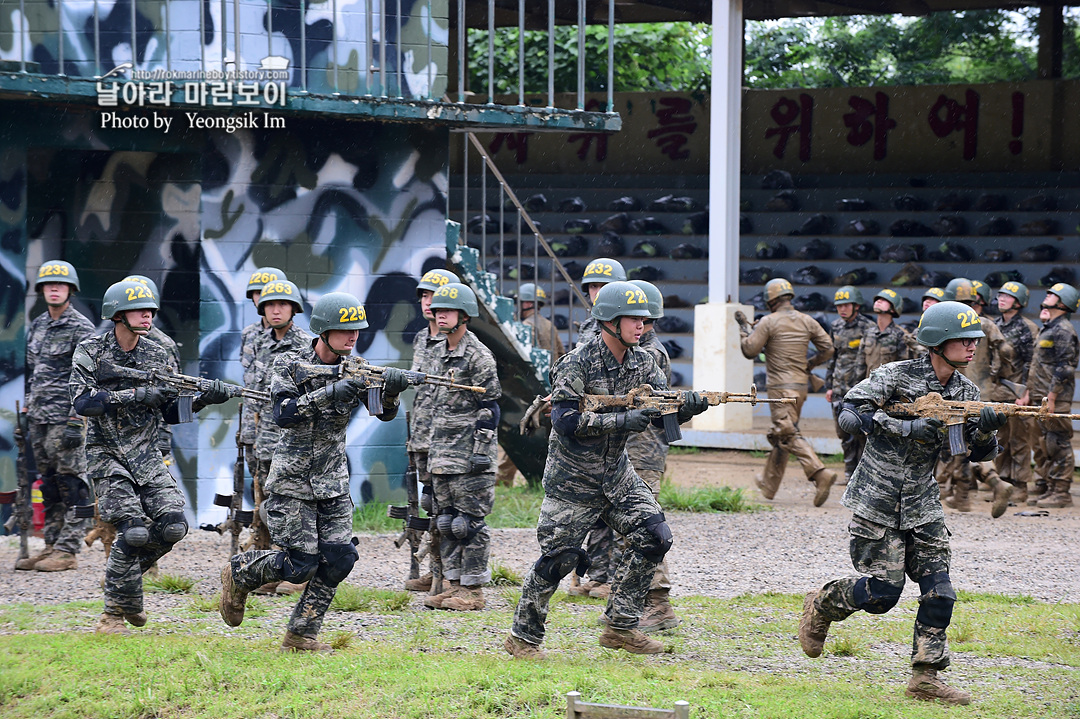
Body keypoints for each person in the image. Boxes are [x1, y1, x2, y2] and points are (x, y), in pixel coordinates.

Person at [799, 301, 1006, 706]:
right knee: (881, 594)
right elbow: (850, 413)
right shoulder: (894, 376)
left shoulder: (966, 392)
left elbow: (977, 455)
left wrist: (985, 430)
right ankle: (822, 603)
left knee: (940, 591)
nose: (971, 347)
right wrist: (904, 426)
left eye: (973, 341)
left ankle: (925, 678)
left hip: (923, 502)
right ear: (938, 342)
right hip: (877, 498)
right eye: (963, 340)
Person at [504, 281, 709, 659]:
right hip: (573, 478)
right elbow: (565, 422)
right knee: (559, 560)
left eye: (645, 320)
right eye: (633, 319)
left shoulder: (644, 362)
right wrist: (623, 420)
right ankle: (523, 638)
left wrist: (688, 408)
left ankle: (621, 627)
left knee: (654, 536)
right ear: (610, 321)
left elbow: (664, 412)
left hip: (617, 474)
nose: (642, 326)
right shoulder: (575, 363)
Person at [219, 292, 409, 652]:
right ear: (323, 331)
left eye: (357, 331)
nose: (353, 337)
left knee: (341, 558)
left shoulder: (358, 365)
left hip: (333, 482)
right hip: (292, 482)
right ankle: (241, 571)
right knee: (300, 565)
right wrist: (333, 390)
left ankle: (301, 634)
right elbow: (284, 413)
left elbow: (381, 413)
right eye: (344, 330)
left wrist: (392, 394)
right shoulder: (289, 364)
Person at [71, 280, 231, 634]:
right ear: (117, 314)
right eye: (139, 309)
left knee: (174, 526)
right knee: (135, 531)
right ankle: (112, 615)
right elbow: (83, 402)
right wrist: (136, 394)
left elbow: (171, 412)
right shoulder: (91, 349)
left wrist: (207, 398)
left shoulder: (158, 353)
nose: (148, 314)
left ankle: (124, 585)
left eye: (151, 310)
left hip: (146, 456)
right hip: (107, 455)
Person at [421, 282, 502, 612]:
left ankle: (474, 590)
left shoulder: (478, 355)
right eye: (438, 310)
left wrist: (480, 454)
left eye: (448, 310)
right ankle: (453, 584)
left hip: (469, 455)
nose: (440, 315)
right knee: (445, 521)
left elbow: (491, 407)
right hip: (441, 454)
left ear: (464, 316)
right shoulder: (436, 352)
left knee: (468, 523)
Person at [17, 260, 96, 572]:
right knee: (48, 483)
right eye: (48, 284)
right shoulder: (38, 325)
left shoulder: (81, 328)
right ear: (41, 290)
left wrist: (77, 419)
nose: (54, 288)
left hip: (66, 418)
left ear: (70, 290)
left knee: (72, 482)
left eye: (60, 285)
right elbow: (33, 373)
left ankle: (69, 548)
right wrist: (25, 411)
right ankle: (51, 544)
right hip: (39, 418)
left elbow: (89, 379)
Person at [737, 278, 836, 506]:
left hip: (780, 388)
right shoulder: (806, 320)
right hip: (801, 387)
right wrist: (810, 365)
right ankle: (769, 485)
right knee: (784, 432)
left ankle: (820, 474)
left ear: (771, 300)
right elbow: (828, 348)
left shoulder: (768, 322)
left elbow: (750, 350)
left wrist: (744, 331)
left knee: (787, 433)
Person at [248, 279, 312, 594]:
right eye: (270, 305)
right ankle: (275, 568)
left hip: (294, 441)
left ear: (293, 309)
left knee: (295, 505)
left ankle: (300, 572)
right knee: (267, 507)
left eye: (282, 304)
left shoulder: (306, 344)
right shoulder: (259, 343)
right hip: (264, 438)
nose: (276, 309)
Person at [936, 279, 1012, 515]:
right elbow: (1006, 351)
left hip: (958, 394)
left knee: (958, 444)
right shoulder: (986, 324)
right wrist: (997, 376)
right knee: (972, 443)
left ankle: (972, 493)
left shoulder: (947, 325)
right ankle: (968, 494)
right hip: (982, 392)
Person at [402, 268, 457, 592]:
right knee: (429, 503)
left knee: (448, 507)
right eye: (423, 295)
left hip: (446, 437)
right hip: (422, 434)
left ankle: (449, 575)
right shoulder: (422, 337)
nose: (427, 302)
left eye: (433, 295)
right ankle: (434, 569)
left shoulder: (456, 340)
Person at [495, 282, 565, 488]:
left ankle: (504, 478)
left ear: (525, 303)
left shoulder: (526, 327)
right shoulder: (549, 325)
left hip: (530, 389)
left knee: (522, 432)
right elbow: (561, 355)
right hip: (550, 387)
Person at [1017, 282, 1080, 508]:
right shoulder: (1048, 328)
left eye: (1053, 294)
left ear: (1063, 303)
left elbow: (1065, 368)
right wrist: (1029, 393)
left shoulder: (1063, 330)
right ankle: (1050, 488)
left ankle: (1061, 492)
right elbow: (1037, 365)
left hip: (1056, 399)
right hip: (1041, 396)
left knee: (1058, 442)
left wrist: (1052, 397)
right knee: (1045, 444)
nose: (1047, 296)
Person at [993, 281, 1040, 503]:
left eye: (1008, 296)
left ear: (1019, 302)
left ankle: (1021, 485)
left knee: (1020, 439)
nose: (1002, 299)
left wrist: (1026, 391)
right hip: (997, 392)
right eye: (1000, 295)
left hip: (1017, 391)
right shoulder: (994, 325)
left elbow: (1032, 362)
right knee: (999, 439)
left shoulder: (1027, 328)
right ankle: (1003, 485)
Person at [239, 267, 288, 477]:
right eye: (259, 292)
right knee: (255, 481)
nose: (264, 296)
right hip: (252, 422)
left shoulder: (297, 341)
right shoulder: (250, 334)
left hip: (277, 425)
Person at [824, 286, 873, 484]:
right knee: (843, 433)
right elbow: (831, 357)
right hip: (838, 388)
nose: (842, 309)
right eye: (839, 306)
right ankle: (849, 472)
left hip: (860, 389)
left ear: (856, 306)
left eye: (846, 305)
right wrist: (829, 385)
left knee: (861, 433)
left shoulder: (868, 327)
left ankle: (863, 474)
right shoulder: (835, 326)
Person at [860, 288, 916, 374]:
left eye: (884, 300)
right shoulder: (868, 333)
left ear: (893, 309)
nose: (878, 301)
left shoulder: (900, 335)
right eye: (878, 299)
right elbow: (860, 364)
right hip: (868, 384)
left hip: (888, 386)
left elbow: (903, 367)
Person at [576, 258, 627, 345]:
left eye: (605, 286)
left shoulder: (631, 324)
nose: (599, 292)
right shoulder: (587, 326)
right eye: (593, 286)